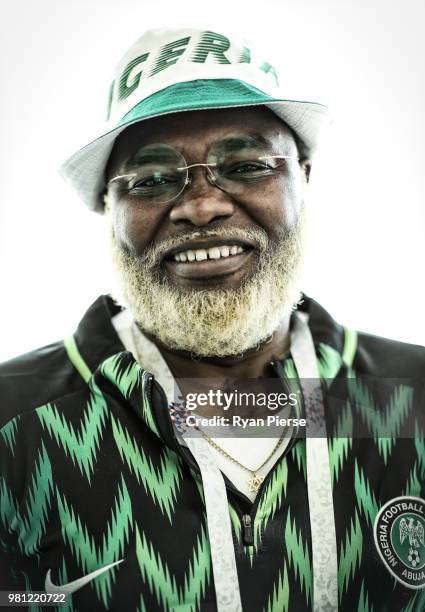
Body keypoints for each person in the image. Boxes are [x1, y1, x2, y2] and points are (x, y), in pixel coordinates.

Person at [0, 26, 424, 612]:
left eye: (247, 165)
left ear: (303, 176)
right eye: (150, 180)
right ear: (107, 207)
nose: (202, 205)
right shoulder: (14, 427)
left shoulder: (413, 398)